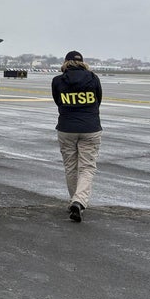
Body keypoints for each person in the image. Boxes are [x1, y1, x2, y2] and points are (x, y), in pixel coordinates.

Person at [52, 50, 103, 222]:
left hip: (66, 127)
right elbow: (99, 100)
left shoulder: (58, 81)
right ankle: (79, 201)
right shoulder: (93, 78)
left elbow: (58, 101)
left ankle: (75, 200)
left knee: (71, 167)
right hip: (90, 127)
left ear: (65, 63)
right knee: (87, 167)